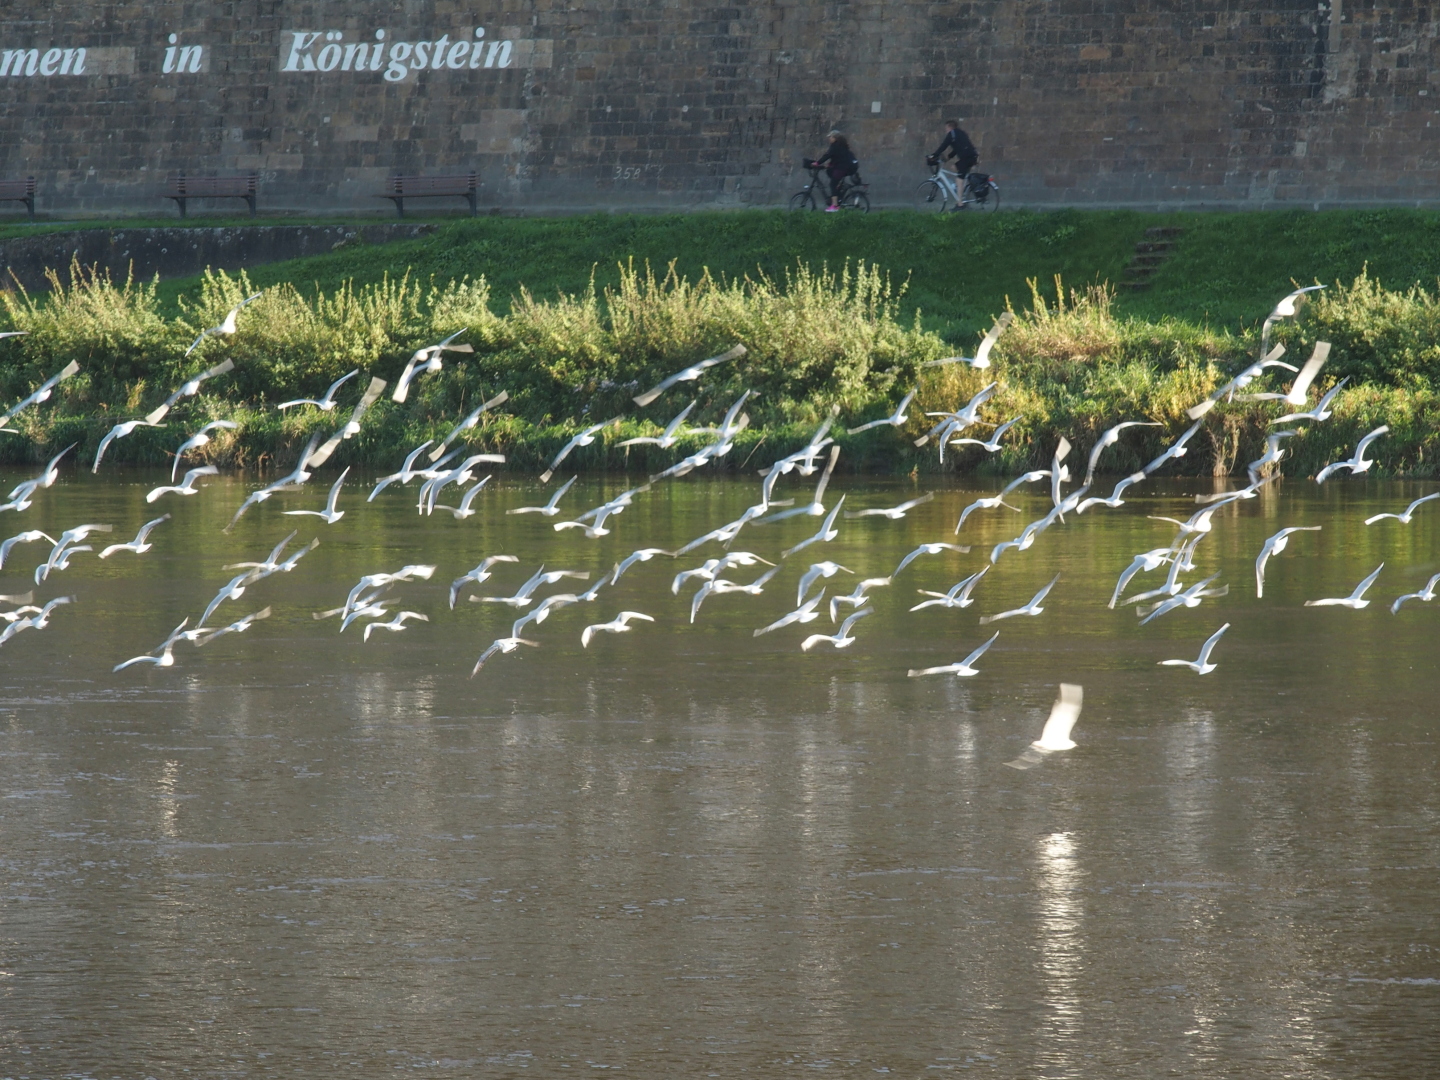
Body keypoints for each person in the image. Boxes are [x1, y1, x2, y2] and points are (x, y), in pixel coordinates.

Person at [813, 131, 859, 211]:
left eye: (830, 137)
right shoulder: (841, 145)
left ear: (835, 138)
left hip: (842, 168)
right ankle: (839, 197)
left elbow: (827, 155)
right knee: (834, 180)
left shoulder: (835, 146)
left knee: (832, 184)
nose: (829, 138)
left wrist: (817, 163)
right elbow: (837, 157)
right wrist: (830, 165)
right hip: (845, 167)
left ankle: (835, 206)